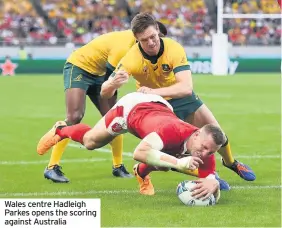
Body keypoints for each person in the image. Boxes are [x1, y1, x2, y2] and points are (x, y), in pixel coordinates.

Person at [101, 13, 256, 184]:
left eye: (153, 37)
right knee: (173, 151)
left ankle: (231, 163)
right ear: (137, 39)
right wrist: (112, 84)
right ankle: (205, 175)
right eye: (144, 40)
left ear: (158, 30)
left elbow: (186, 88)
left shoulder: (173, 48)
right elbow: (104, 93)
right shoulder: (130, 58)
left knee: (217, 134)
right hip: (155, 107)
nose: (151, 42)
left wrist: (153, 91)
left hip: (180, 97)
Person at [37, 92, 224, 201]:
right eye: (205, 147)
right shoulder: (172, 130)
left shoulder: (205, 150)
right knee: (91, 142)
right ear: (197, 133)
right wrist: (178, 163)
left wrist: (213, 183)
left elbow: (211, 178)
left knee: (164, 160)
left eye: (211, 151)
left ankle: (141, 174)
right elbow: (139, 152)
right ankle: (61, 130)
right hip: (130, 110)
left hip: (159, 109)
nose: (206, 153)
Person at [41, 23, 168, 183]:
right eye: (154, 38)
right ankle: (52, 167)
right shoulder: (124, 46)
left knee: (116, 118)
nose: (154, 43)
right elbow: (111, 79)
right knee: (75, 116)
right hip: (79, 67)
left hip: (100, 73)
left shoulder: (140, 48)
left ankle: (118, 166)